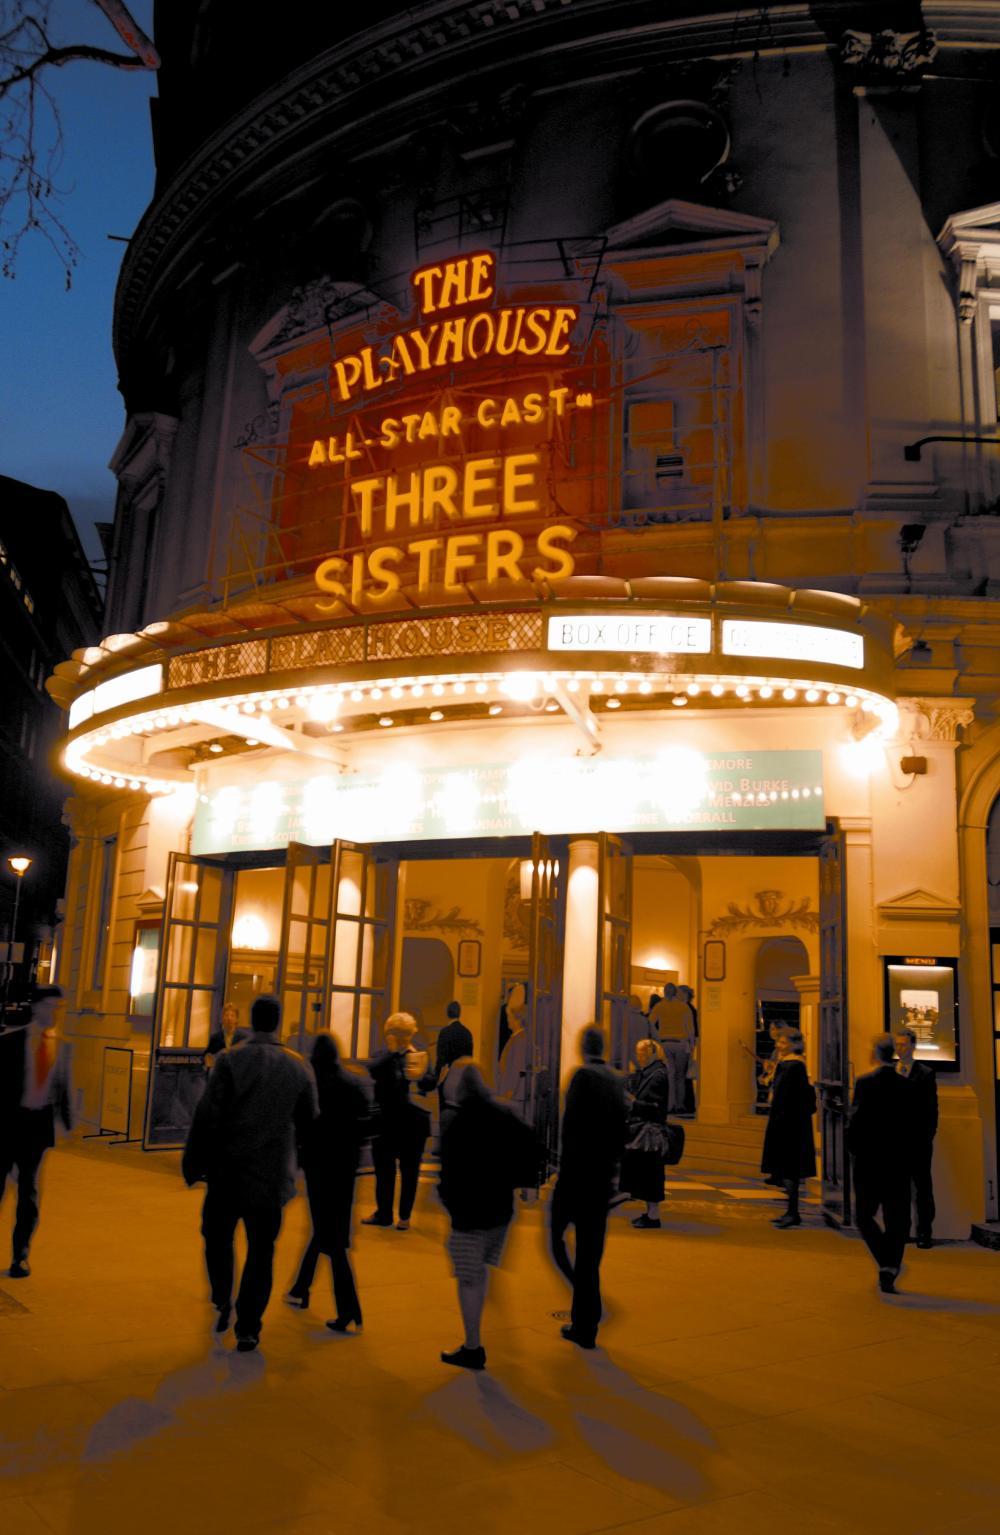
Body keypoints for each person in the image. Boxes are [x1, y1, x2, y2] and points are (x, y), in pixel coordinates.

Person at [182, 994, 317, 1352]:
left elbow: (207, 1115)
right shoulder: (299, 1066)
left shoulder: (229, 1060)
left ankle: (223, 1297)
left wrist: (193, 1162)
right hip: (271, 1176)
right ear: (276, 1022)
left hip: (228, 1171)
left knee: (216, 1237)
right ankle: (249, 1326)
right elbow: (309, 1125)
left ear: (252, 1022)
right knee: (262, 1251)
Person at [437, 1062, 538, 1371]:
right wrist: (522, 1182)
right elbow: (531, 1147)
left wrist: (447, 1199)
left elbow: (449, 1170)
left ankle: (472, 1346)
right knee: (480, 1270)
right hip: (499, 1211)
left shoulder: (456, 1121)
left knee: (468, 1279)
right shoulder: (504, 1113)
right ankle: (480, 1325)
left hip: (469, 1214)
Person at [283, 1033, 372, 1331]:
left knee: (330, 1237)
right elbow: (366, 1124)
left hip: (319, 1168)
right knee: (328, 1232)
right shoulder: (352, 1083)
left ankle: (349, 1309)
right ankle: (300, 1289)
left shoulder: (311, 1085)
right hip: (345, 1170)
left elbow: (301, 1125)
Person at [550, 1026, 626, 1350]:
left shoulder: (581, 1078)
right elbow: (620, 1131)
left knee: (556, 1240)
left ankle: (586, 1310)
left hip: (577, 1176)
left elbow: (571, 1130)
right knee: (590, 1252)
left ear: (582, 1047)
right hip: (601, 1179)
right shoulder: (615, 1080)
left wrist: (561, 1171)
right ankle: (587, 1320)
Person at [0, 985, 72, 1278]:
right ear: (37, 1007)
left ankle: (21, 1256)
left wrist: (67, 1122)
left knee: (29, 1194)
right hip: (7, 1124)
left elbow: (62, 1087)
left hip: (37, 1129)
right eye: (51, 1006)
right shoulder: (9, 1043)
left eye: (59, 1007)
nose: (55, 1012)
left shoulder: (63, 1047)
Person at [848, 1035, 916, 1294]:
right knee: (897, 1217)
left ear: (876, 1053)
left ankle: (886, 1261)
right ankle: (891, 1265)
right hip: (898, 1160)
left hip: (869, 1159)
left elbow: (857, 1120)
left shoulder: (865, 1083)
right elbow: (913, 1126)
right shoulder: (906, 1085)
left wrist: (853, 1149)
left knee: (864, 1215)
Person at [364, 1013, 431, 1230]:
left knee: (392, 1170)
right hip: (402, 1124)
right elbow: (372, 1070)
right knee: (403, 1170)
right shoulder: (388, 1057)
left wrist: (418, 1076)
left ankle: (389, 1213)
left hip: (398, 1123)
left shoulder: (416, 1057)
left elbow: (429, 1082)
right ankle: (402, 1216)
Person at [760, 1027, 815, 1228]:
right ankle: (791, 1211)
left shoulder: (793, 1066)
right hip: (786, 1121)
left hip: (789, 1124)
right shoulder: (789, 1065)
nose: (778, 1046)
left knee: (789, 1168)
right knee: (787, 1169)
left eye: (783, 1043)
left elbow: (789, 1097)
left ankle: (792, 1212)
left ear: (793, 1044)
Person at [619, 1038, 671, 1228]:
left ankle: (653, 1216)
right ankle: (651, 1213)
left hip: (650, 1133)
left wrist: (633, 1102)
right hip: (648, 1131)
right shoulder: (652, 1073)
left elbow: (656, 1107)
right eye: (638, 1053)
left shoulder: (657, 1075)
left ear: (652, 1054)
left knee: (651, 1175)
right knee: (649, 1174)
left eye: (642, 1054)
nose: (639, 1057)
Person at [894, 1027, 938, 1249]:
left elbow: (931, 1110)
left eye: (903, 1044)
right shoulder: (892, 1071)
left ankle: (924, 1232)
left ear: (913, 1046)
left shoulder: (925, 1073)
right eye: (897, 1044)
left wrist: (926, 1137)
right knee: (900, 1189)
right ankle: (902, 1230)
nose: (899, 1048)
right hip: (896, 1142)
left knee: (922, 1189)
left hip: (918, 1141)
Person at [424, 999, 474, 1129]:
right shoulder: (467, 1033)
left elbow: (441, 1059)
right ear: (460, 1014)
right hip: (462, 1077)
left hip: (447, 1076)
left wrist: (436, 1078)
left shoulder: (444, 1032)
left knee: (444, 1109)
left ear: (447, 1014)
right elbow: (470, 1057)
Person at [649, 983, 695, 1113]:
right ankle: (680, 1105)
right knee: (680, 1075)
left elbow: (651, 1023)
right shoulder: (684, 1007)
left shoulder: (659, 1006)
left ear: (664, 992)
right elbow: (690, 1029)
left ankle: (669, 1105)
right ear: (676, 993)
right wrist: (691, 1047)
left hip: (665, 1043)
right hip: (681, 1044)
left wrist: (657, 1038)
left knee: (670, 1075)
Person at [496, 982, 531, 1122]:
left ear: (517, 1020)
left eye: (510, 1018)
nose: (508, 1020)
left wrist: (509, 1092)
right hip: (510, 1093)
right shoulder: (516, 1038)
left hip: (514, 1095)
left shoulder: (520, 1039)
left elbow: (517, 1068)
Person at [204, 1002, 249, 1071]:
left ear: (237, 1019)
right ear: (222, 1018)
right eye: (226, 1015)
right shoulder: (215, 1038)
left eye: (232, 1015)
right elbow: (207, 1058)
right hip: (220, 1075)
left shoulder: (243, 1038)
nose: (229, 1018)